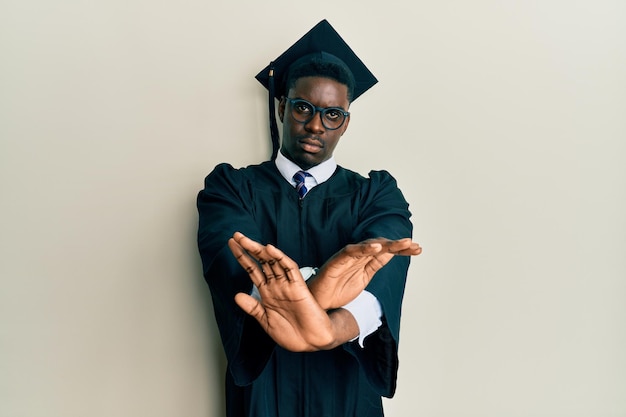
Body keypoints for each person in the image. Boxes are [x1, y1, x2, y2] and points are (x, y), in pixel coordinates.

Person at [197, 20, 422, 417]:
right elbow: (229, 262)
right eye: (304, 107)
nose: (316, 124)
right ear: (282, 106)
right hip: (266, 393)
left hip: (347, 390)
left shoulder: (377, 193)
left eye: (333, 114)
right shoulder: (231, 188)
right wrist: (322, 287)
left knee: (381, 256)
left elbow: (384, 266)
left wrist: (328, 328)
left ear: (346, 122)